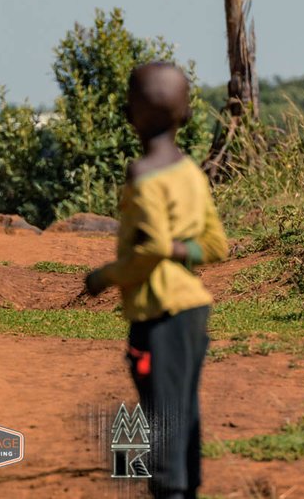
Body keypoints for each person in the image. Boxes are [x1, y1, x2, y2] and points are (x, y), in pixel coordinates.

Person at [84, 63, 227, 499]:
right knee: (184, 409)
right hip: (193, 309)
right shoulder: (192, 174)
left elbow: (148, 251)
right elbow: (217, 245)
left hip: (159, 314)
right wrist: (180, 249)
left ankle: (170, 490)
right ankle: (188, 486)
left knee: (160, 415)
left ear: (130, 115)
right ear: (186, 115)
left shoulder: (142, 176)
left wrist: (103, 277)